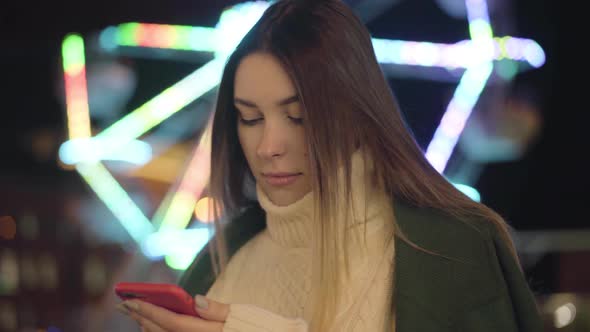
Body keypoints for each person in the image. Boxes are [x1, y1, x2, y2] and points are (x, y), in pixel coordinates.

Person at [117, 0, 544, 331]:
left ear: (359, 110)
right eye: (250, 118)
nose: (269, 146)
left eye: (299, 116)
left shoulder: (454, 251)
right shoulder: (217, 264)